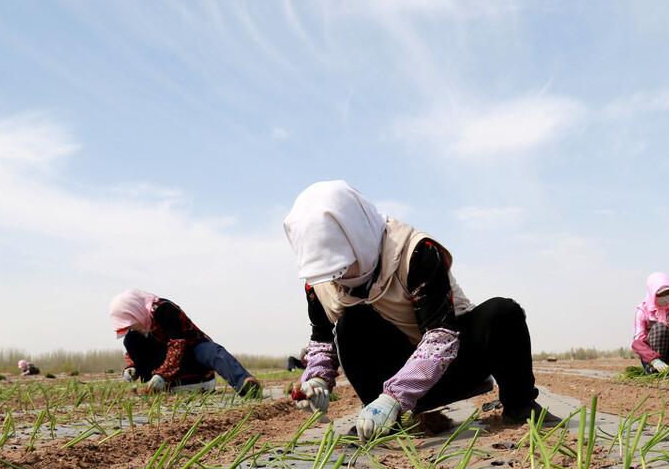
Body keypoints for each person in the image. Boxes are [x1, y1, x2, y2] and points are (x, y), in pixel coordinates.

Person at [283, 179, 555, 443]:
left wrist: (395, 396)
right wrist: (317, 380)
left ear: (358, 236)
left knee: (502, 312)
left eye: (343, 266)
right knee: (351, 323)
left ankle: (520, 405)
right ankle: (380, 423)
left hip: (455, 367)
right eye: (331, 271)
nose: (339, 279)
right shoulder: (318, 280)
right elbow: (321, 340)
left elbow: (441, 338)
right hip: (391, 381)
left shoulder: (415, 252)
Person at [109, 289, 261, 398]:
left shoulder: (163, 309)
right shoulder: (135, 332)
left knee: (214, 352)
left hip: (192, 348)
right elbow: (134, 351)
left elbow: (177, 345)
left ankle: (244, 383)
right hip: (167, 361)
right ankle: (154, 388)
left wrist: (163, 375)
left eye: (131, 323)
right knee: (130, 340)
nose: (131, 328)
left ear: (135, 311)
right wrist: (132, 367)